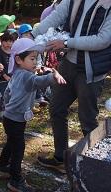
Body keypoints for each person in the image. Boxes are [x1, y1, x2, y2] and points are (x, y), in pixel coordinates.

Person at [31, 0, 111, 173]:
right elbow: (56, 16)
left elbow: (103, 40)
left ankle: (94, 166)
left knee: (87, 118)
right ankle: (61, 157)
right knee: (56, 108)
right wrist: (32, 34)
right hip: (68, 64)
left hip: (91, 68)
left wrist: (67, 43)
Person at [0, 38, 66, 192]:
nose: (36, 62)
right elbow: (39, 82)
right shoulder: (27, 76)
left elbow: (7, 93)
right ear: (19, 60)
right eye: (32, 58)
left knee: (11, 143)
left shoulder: (18, 74)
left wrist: (8, 106)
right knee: (18, 148)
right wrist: (52, 75)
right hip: (16, 119)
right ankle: (15, 179)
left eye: (37, 58)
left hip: (10, 117)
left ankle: (2, 166)